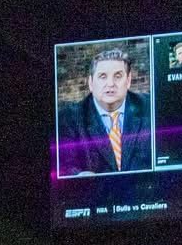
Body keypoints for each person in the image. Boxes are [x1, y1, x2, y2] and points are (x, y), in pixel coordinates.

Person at [57, 46, 151, 175]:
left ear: (128, 80)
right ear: (91, 83)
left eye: (118, 76)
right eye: (102, 76)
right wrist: (79, 176)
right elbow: (65, 167)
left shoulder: (150, 106)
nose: (110, 84)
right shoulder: (69, 118)